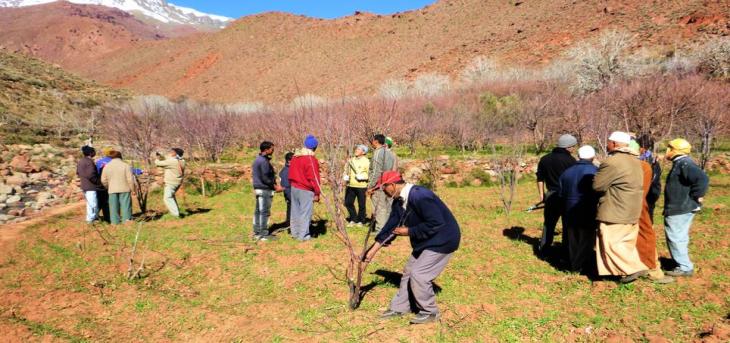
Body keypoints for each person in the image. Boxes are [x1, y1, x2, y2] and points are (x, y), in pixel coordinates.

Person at [363, 171, 460, 325]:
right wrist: (372, 251)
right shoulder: (399, 201)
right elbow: (391, 226)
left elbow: (436, 222)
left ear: (392, 185)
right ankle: (400, 308)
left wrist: (409, 231)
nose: (383, 192)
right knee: (409, 271)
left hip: (442, 239)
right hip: (426, 240)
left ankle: (430, 312)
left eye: (383, 188)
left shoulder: (421, 196)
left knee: (419, 274)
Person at [592, 132, 647, 283]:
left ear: (615, 144)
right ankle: (620, 271)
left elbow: (597, 186)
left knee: (612, 242)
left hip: (615, 209)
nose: (607, 144)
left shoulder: (612, 162)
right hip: (632, 209)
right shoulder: (635, 160)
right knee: (625, 242)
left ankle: (632, 268)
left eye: (608, 142)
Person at [663, 138, 709, 277]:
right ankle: (682, 263)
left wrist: (696, 196)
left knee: (675, 236)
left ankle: (684, 267)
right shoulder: (681, 163)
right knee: (680, 236)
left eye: (669, 148)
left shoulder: (684, 164)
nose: (667, 151)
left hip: (680, 208)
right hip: (682, 207)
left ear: (675, 150)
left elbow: (702, 179)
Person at [630, 140, 674, 284]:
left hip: (625, 208)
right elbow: (653, 188)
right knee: (646, 236)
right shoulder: (645, 166)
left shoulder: (614, 165)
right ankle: (652, 269)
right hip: (641, 206)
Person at [557, 145, 598, 273]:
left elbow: (560, 194)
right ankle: (580, 266)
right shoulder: (596, 171)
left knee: (573, 239)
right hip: (588, 210)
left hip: (569, 210)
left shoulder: (566, 172)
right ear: (593, 157)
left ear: (578, 156)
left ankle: (574, 263)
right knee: (587, 239)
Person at [536, 134, 577, 255]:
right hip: (566, 196)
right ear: (568, 147)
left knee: (549, 223)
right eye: (573, 146)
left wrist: (542, 195)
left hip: (551, 194)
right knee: (567, 224)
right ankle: (565, 250)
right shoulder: (571, 161)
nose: (573, 149)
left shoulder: (545, 158)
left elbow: (540, 178)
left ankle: (544, 249)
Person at [288, 135, 321, 241]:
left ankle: (295, 233)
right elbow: (314, 177)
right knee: (305, 213)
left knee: (295, 211)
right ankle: (303, 236)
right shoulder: (311, 160)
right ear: (315, 147)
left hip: (294, 187)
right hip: (306, 189)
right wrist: (317, 192)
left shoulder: (295, 157)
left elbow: (290, 172)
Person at [251, 141, 283, 241]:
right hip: (264, 189)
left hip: (258, 188)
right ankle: (263, 234)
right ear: (266, 150)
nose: (272, 151)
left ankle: (257, 232)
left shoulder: (257, 159)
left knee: (258, 211)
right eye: (271, 149)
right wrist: (275, 186)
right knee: (264, 211)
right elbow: (265, 177)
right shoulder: (263, 161)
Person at [367, 134, 397, 231]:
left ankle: (380, 230)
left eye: (372, 140)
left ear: (376, 141)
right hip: (389, 183)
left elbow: (375, 171)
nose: (372, 142)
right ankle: (389, 228)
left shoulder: (378, 153)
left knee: (379, 208)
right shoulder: (390, 153)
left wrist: (370, 186)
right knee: (388, 207)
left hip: (379, 184)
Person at [101, 151, 134, 225]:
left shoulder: (106, 166)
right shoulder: (126, 165)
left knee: (113, 207)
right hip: (125, 188)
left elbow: (103, 180)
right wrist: (133, 189)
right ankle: (127, 221)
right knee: (126, 206)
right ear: (120, 156)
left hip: (112, 189)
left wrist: (107, 187)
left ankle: (115, 223)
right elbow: (130, 179)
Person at [155, 148, 186, 219]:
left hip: (171, 183)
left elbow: (158, 163)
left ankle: (175, 214)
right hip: (177, 182)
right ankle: (176, 212)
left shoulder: (173, 161)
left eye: (173, 152)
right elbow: (168, 159)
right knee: (171, 196)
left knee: (167, 198)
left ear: (176, 154)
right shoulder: (182, 161)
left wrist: (157, 158)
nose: (171, 152)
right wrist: (162, 156)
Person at [77, 146, 104, 224]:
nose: (95, 153)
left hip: (84, 185)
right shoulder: (89, 162)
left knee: (90, 203)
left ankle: (93, 218)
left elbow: (78, 173)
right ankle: (91, 219)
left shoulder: (81, 161)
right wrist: (98, 182)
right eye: (94, 151)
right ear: (90, 153)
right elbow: (91, 175)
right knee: (93, 203)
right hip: (90, 186)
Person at [344, 145, 370, 226]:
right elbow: (346, 169)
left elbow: (370, 174)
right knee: (348, 202)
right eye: (356, 149)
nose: (356, 150)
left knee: (361, 204)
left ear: (363, 152)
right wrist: (345, 175)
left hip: (361, 186)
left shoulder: (366, 161)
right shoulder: (351, 160)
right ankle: (353, 219)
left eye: (358, 149)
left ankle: (361, 221)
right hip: (351, 185)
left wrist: (363, 177)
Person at [637, 134, 662, 218]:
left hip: (648, 192)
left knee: (646, 215)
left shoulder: (650, 160)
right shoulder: (652, 158)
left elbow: (654, 178)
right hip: (651, 191)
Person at [279, 152, 294, 227]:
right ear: (289, 161)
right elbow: (285, 186)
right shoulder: (286, 171)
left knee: (291, 211)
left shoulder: (290, 169)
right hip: (290, 195)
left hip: (292, 194)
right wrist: (291, 198)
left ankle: (290, 227)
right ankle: (290, 227)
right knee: (291, 211)